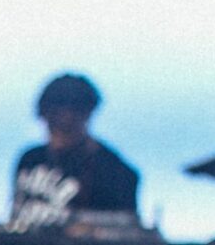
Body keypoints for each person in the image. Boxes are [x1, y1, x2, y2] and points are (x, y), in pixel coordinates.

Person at [9, 74, 140, 233]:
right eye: (52, 123)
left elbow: (127, 231)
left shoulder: (115, 173)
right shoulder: (30, 160)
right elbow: (14, 219)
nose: (58, 133)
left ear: (86, 115)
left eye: (67, 126)